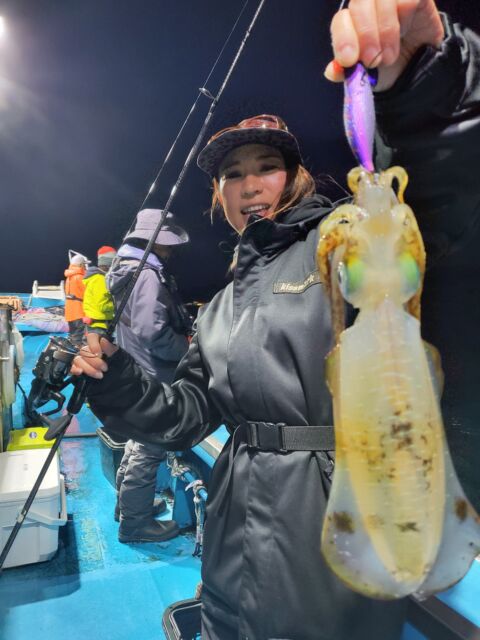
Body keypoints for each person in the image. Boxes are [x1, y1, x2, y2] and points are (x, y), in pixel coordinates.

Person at [71, 2, 480, 638]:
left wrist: (428, 78)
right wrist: (116, 377)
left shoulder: (343, 242)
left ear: (293, 178)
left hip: (332, 551)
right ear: (219, 196)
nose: (248, 184)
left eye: (266, 166)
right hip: (231, 551)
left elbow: (439, 200)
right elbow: (187, 414)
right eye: (231, 175)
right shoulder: (224, 302)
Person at [106, 209, 191, 543]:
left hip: (133, 369)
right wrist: (186, 350)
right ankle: (135, 524)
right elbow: (151, 331)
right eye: (167, 244)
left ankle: (126, 506)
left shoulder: (124, 268)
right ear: (154, 242)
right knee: (149, 447)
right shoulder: (147, 275)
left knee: (136, 441)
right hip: (152, 373)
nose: (170, 251)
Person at [82, 246, 117, 335]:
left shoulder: (95, 277)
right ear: (108, 264)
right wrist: (118, 304)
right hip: (99, 325)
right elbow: (103, 305)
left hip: (96, 323)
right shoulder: (100, 279)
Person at [64, 251, 88, 346]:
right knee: (80, 338)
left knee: (73, 335)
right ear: (81, 265)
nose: (85, 267)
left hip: (70, 313)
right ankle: (78, 353)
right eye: (84, 265)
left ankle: (71, 350)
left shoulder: (69, 277)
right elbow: (87, 294)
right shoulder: (80, 277)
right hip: (79, 312)